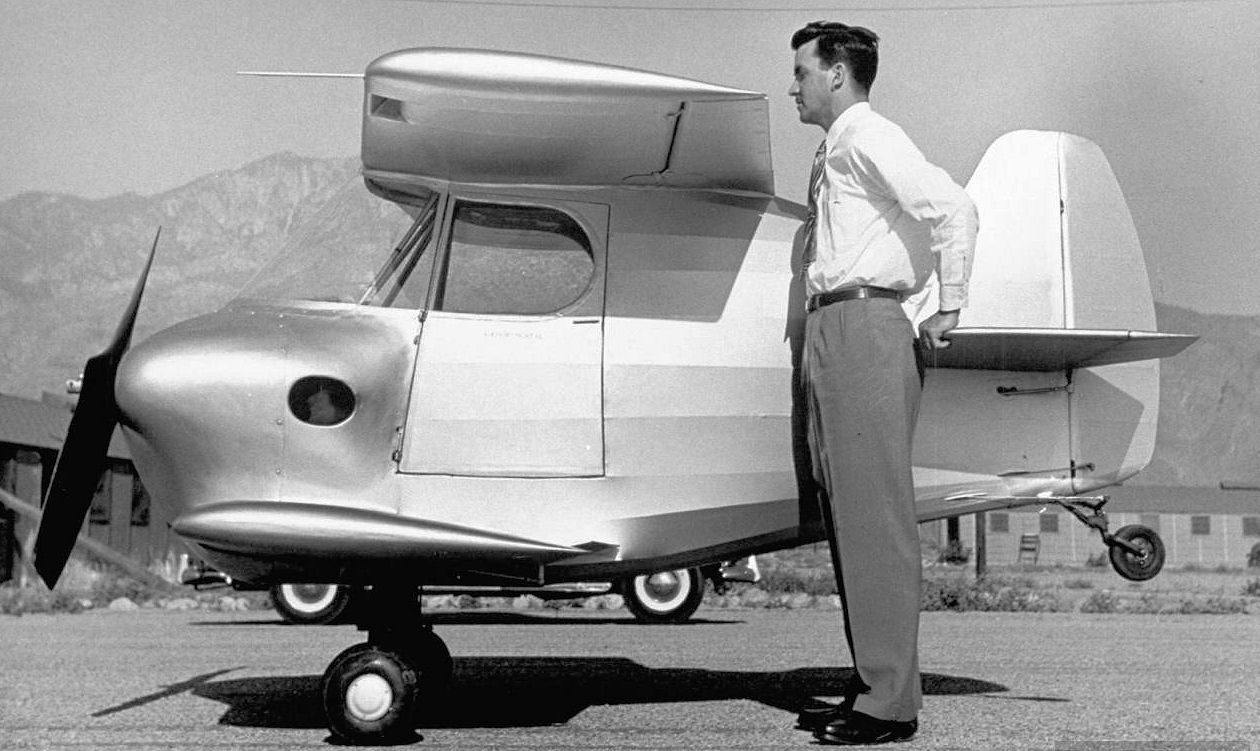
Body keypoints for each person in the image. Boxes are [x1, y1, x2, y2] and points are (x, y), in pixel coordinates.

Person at [787, 21, 978, 746]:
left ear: (837, 74)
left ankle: (889, 704)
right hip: (834, 328)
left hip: (864, 327)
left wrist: (949, 305)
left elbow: (953, 208)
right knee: (850, 517)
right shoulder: (837, 148)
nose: (794, 86)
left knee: (874, 520)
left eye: (803, 72)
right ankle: (876, 683)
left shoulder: (869, 136)